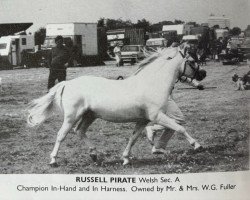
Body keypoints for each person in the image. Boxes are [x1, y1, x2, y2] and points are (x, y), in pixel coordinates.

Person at [145, 76, 205, 154]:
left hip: (163, 95)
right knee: (178, 119)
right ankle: (153, 128)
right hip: (162, 96)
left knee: (173, 122)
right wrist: (196, 84)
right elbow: (181, 74)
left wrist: (196, 85)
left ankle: (158, 146)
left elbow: (180, 75)